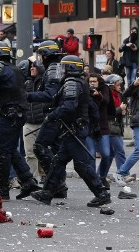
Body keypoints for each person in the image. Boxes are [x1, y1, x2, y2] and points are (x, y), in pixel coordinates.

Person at [31, 56, 111, 207]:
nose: (61, 70)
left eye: (64, 67)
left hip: (74, 129)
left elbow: (69, 107)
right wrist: (94, 127)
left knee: (81, 164)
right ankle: (47, 193)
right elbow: (91, 107)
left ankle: (102, 193)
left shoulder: (72, 83)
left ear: (71, 68)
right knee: (58, 161)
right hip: (74, 129)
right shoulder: (80, 82)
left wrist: (51, 116)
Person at [0, 42, 40, 200]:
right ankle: (28, 181)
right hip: (17, 114)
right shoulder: (15, 68)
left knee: (2, 151)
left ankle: (2, 189)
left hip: (9, 114)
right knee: (11, 150)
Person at [27, 40, 67, 196]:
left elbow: (50, 94)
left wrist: (27, 96)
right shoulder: (57, 66)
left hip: (54, 115)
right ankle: (58, 186)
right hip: (57, 115)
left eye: (41, 55)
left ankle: (55, 184)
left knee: (40, 146)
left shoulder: (52, 68)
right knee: (57, 151)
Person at [85, 74, 112, 185]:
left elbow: (106, 101)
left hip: (102, 127)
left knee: (106, 154)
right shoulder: (85, 90)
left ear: (98, 82)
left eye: (94, 81)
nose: (92, 83)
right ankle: (94, 180)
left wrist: (98, 95)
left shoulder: (104, 89)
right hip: (89, 127)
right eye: (90, 81)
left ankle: (102, 176)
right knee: (91, 154)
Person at [115, 69, 139, 184]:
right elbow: (125, 94)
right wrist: (133, 85)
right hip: (138, 122)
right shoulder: (136, 87)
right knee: (138, 150)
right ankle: (122, 172)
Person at [23, 59, 46, 180]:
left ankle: (47, 177)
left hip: (43, 123)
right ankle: (34, 180)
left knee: (44, 152)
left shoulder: (44, 82)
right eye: (30, 66)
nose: (31, 68)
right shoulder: (26, 83)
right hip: (28, 123)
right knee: (30, 154)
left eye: (34, 66)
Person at [104, 74, 127, 182]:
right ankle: (122, 174)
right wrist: (119, 109)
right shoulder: (108, 96)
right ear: (112, 85)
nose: (120, 85)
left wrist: (123, 111)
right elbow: (108, 113)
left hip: (117, 126)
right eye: (118, 84)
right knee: (119, 151)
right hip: (111, 127)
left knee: (110, 154)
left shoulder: (118, 95)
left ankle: (101, 175)